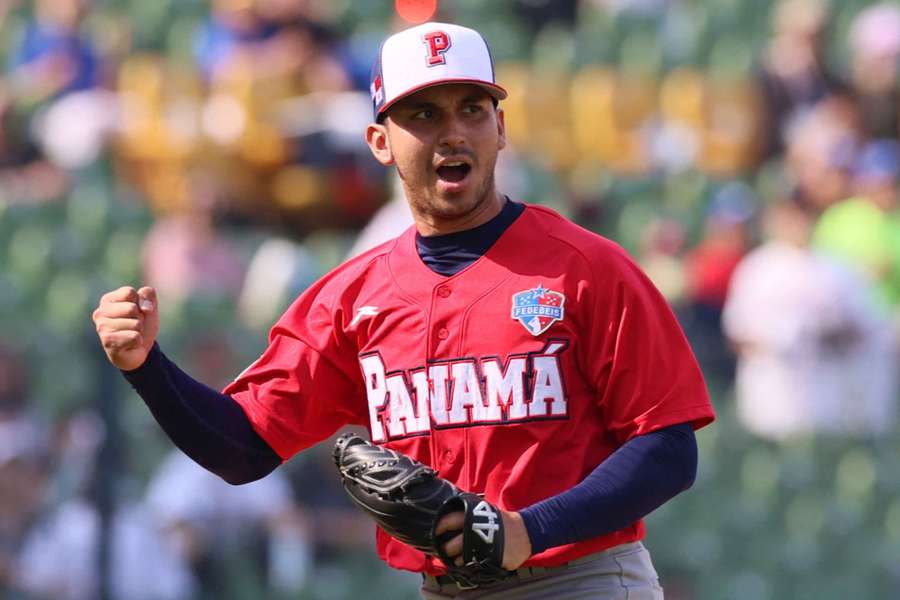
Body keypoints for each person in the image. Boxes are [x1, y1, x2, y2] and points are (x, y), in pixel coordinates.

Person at [92, 22, 714, 598]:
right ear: (380, 142)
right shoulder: (348, 300)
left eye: (472, 109)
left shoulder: (587, 268)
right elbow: (243, 447)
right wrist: (147, 367)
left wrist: (531, 528)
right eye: (423, 114)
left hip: (580, 580)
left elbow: (667, 447)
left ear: (500, 128)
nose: (453, 132)